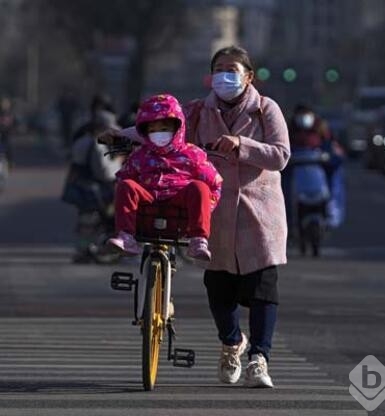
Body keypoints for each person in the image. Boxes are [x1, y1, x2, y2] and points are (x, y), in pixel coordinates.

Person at [100, 45, 289, 388]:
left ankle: (259, 358)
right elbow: (155, 127)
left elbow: (281, 155)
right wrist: (117, 135)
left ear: (249, 76)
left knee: (263, 288)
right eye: (219, 69)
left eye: (232, 69)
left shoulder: (266, 110)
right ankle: (232, 343)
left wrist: (242, 145)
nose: (225, 75)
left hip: (258, 212)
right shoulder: (198, 112)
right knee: (220, 289)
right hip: (212, 212)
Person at [107, 94, 222, 262]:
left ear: (178, 128)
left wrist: (204, 207)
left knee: (200, 187)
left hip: (180, 201)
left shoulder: (193, 154)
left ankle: (198, 239)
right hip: (148, 200)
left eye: (164, 129)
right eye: (152, 131)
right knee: (126, 185)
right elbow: (124, 178)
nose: (158, 135)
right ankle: (126, 237)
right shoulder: (140, 155)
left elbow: (215, 184)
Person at [69, 110, 124, 263]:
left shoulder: (81, 141)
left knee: (85, 223)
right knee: (100, 219)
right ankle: (93, 249)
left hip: (81, 187)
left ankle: (83, 251)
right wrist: (118, 162)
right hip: (96, 190)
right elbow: (105, 172)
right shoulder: (97, 144)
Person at [0, 96, 16, 166]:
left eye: (6, 104)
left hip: (7, 134)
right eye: (3, 103)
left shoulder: (10, 113)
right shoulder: (1, 113)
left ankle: (10, 161)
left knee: (9, 146)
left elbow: (15, 122)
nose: (5, 105)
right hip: (1, 133)